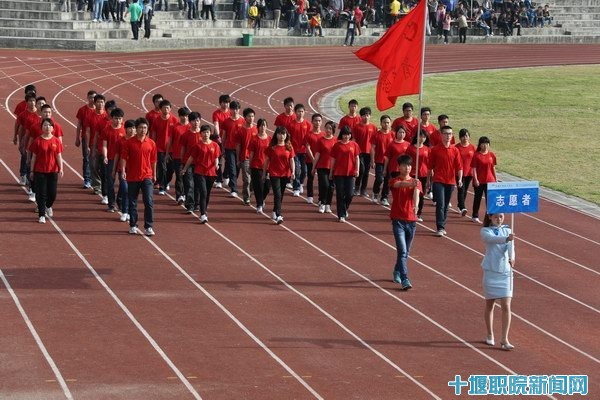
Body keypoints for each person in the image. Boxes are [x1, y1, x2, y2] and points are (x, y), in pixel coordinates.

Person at [481, 213, 516, 350]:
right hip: (491, 271)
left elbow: (511, 248)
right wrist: (507, 238)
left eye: (501, 216)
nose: (499, 219)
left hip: (505, 272)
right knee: (490, 304)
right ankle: (490, 334)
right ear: (490, 217)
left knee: (506, 305)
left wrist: (512, 257)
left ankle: (504, 338)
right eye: (496, 217)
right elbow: (492, 239)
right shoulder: (485, 231)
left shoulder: (508, 230)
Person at [120, 118, 157, 236]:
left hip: (147, 176)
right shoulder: (129, 143)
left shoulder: (151, 143)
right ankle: (133, 225)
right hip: (132, 176)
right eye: (140, 127)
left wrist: (154, 174)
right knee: (133, 202)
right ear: (136, 129)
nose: (143, 130)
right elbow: (123, 158)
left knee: (148, 201)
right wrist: (123, 171)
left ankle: (149, 226)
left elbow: (153, 160)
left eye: (145, 128)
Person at [389, 154, 422, 289]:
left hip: (411, 221)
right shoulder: (394, 181)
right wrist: (410, 183)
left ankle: (397, 270)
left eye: (409, 165)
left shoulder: (416, 182)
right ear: (399, 167)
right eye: (404, 165)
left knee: (406, 252)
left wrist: (416, 205)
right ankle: (405, 279)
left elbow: (416, 195)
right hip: (398, 220)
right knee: (402, 251)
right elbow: (399, 185)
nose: (407, 168)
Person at [181, 125, 221, 224]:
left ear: (210, 133)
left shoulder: (215, 145)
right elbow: (191, 158)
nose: (206, 134)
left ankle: (204, 209)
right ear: (201, 134)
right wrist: (185, 169)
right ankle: (203, 214)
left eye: (207, 132)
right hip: (200, 172)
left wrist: (216, 165)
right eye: (204, 132)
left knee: (207, 193)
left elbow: (216, 157)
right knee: (203, 192)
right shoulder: (197, 146)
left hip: (211, 172)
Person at [29, 118, 64, 224]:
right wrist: (31, 171)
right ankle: (42, 215)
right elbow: (34, 157)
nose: (47, 127)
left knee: (52, 194)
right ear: (42, 127)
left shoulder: (56, 141)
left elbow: (59, 156)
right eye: (45, 125)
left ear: (53, 128)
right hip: (40, 171)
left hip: (53, 170)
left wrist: (61, 168)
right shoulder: (37, 141)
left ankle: (48, 206)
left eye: (49, 125)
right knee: (41, 193)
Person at [429, 125, 462, 236]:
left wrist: (460, 179)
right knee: (441, 204)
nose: (448, 136)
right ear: (441, 134)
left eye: (450, 134)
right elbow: (430, 167)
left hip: (450, 181)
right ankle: (440, 227)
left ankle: (443, 224)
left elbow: (459, 167)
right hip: (438, 180)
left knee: (446, 205)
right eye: (446, 133)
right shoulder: (435, 149)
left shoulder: (455, 150)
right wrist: (428, 182)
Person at [263, 127, 295, 224]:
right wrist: (264, 173)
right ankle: (279, 215)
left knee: (281, 194)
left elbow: (291, 160)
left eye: (283, 134)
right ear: (276, 135)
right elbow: (267, 160)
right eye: (280, 134)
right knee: (277, 193)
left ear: (286, 135)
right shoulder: (272, 147)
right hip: (274, 173)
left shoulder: (289, 147)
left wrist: (293, 172)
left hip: (285, 174)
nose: (282, 136)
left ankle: (275, 210)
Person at [329, 126, 360, 222]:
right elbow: (333, 159)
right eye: (345, 134)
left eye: (348, 134)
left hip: (350, 173)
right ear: (341, 135)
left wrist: (357, 170)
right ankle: (341, 214)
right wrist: (331, 171)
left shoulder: (354, 145)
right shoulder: (337, 145)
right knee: (340, 194)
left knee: (350, 194)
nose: (347, 136)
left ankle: (345, 207)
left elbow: (357, 158)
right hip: (339, 173)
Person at [150, 99, 178, 195]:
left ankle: (166, 182)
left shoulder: (174, 120)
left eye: (167, 108)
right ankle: (162, 187)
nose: (166, 109)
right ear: (161, 109)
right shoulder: (157, 120)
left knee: (171, 169)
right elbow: (154, 134)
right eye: (164, 108)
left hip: (172, 149)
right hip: (160, 148)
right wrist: (153, 146)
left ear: (170, 109)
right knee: (162, 168)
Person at [100, 108, 126, 213]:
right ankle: (111, 204)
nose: (117, 120)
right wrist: (105, 156)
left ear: (122, 119)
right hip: (111, 159)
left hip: (122, 160)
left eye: (119, 118)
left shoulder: (125, 130)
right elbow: (104, 145)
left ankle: (120, 200)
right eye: (115, 118)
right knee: (110, 182)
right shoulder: (107, 130)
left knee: (123, 182)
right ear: (112, 118)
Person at [112, 119, 136, 222]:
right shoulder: (120, 141)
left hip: (134, 170)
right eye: (130, 128)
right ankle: (125, 212)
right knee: (126, 189)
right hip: (122, 169)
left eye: (134, 128)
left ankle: (128, 210)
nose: (132, 130)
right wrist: (114, 169)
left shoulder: (137, 141)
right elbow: (117, 155)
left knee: (130, 191)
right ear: (125, 129)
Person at [179, 112, 203, 213]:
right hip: (188, 163)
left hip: (200, 164)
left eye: (197, 120)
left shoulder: (204, 134)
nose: (196, 122)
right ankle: (190, 205)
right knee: (189, 184)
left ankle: (197, 204)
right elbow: (183, 149)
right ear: (190, 122)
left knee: (198, 185)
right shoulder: (185, 135)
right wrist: (182, 162)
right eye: (193, 120)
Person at [405, 130, 431, 222]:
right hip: (412, 174)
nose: (422, 138)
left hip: (423, 174)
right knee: (410, 194)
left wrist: (430, 174)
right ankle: (408, 211)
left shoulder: (427, 149)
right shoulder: (411, 148)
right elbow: (406, 161)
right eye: (420, 136)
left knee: (420, 195)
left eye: (424, 137)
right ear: (416, 137)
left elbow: (429, 163)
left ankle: (418, 213)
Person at [311, 121, 336, 213]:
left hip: (333, 167)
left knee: (331, 187)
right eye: (327, 128)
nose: (328, 130)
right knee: (325, 185)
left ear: (333, 130)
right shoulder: (321, 140)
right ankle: (322, 202)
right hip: (322, 166)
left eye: (330, 128)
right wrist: (313, 167)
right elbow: (317, 154)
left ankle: (328, 204)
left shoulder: (336, 141)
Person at [288, 103, 312, 196]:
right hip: (295, 151)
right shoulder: (291, 124)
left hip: (305, 151)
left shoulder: (307, 124)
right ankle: (296, 188)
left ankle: (301, 183)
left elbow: (310, 137)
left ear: (304, 112)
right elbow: (288, 137)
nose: (300, 113)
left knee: (304, 171)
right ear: (295, 112)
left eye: (302, 111)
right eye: (298, 111)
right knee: (297, 170)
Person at [221, 101, 245, 197]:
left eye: (237, 109)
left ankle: (232, 183)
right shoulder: (226, 121)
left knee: (237, 168)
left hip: (240, 149)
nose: (235, 111)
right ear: (230, 110)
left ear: (239, 110)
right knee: (232, 168)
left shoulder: (243, 121)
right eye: (233, 109)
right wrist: (222, 148)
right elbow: (224, 136)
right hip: (229, 148)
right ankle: (234, 189)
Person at [382, 125, 410, 206]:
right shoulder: (392, 144)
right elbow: (387, 158)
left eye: (403, 132)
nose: (402, 134)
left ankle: (399, 199)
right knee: (389, 183)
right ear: (396, 133)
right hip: (393, 168)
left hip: (403, 169)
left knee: (402, 185)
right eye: (400, 132)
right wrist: (385, 169)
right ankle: (384, 197)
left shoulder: (408, 144)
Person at [471, 136, 497, 223]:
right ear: (480, 145)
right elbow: (474, 168)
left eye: (487, 144)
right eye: (483, 144)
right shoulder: (476, 155)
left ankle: (490, 217)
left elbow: (493, 168)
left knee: (489, 200)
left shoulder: (492, 155)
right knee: (477, 198)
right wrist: (475, 179)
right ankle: (475, 215)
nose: (485, 146)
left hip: (490, 181)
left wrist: (496, 179)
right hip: (480, 181)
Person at [352, 106, 377, 197]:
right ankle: (357, 187)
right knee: (361, 170)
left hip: (369, 152)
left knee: (366, 171)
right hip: (360, 152)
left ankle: (363, 189)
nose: (366, 117)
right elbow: (354, 140)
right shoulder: (356, 127)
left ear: (370, 116)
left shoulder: (373, 127)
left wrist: (373, 158)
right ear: (361, 116)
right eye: (364, 115)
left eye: (367, 115)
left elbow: (374, 142)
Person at [235, 108, 258, 205]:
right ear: (244, 117)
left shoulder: (256, 129)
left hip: (256, 158)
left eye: (252, 116)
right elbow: (238, 146)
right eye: (249, 116)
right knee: (247, 179)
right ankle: (246, 197)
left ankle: (251, 190)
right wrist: (238, 159)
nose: (251, 118)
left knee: (254, 179)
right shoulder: (240, 131)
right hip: (245, 158)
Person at [248, 118, 271, 213]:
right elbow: (251, 153)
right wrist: (250, 165)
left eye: (264, 125)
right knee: (259, 186)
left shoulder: (270, 139)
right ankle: (259, 205)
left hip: (268, 166)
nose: (263, 127)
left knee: (267, 187)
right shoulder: (254, 139)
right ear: (258, 127)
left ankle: (262, 199)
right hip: (256, 166)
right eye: (261, 125)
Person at [74, 90, 96, 189]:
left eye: (94, 97)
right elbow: (79, 125)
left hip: (97, 140)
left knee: (95, 160)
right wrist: (77, 138)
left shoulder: (100, 111)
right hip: (85, 138)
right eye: (91, 97)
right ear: (87, 98)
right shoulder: (82, 110)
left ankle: (95, 179)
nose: (92, 99)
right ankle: (87, 179)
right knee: (87, 158)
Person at [370, 115, 393, 205]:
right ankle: (375, 193)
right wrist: (372, 160)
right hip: (379, 161)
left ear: (390, 123)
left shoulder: (393, 135)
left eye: (388, 122)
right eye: (384, 122)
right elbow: (372, 148)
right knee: (379, 179)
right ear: (381, 123)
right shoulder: (376, 134)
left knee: (388, 180)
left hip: (390, 162)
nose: (386, 124)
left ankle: (384, 197)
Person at [455, 128, 476, 217]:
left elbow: (476, 159)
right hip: (459, 172)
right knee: (461, 189)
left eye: (466, 136)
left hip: (469, 172)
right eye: (463, 136)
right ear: (460, 137)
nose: (465, 138)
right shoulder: (456, 147)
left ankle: (460, 205)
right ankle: (462, 207)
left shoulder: (473, 147)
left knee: (465, 190)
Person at [305, 113, 324, 204]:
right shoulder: (308, 134)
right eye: (315, 121)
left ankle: (321, 198)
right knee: (310, 177)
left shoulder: (324, 135)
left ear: (321, 122)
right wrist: (313, 160)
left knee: (321, 180)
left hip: (321, 161)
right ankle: (310, 195)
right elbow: (307, 147)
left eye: (319, 121)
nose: (317, 122)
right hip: (310, 160)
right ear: (312, 122)